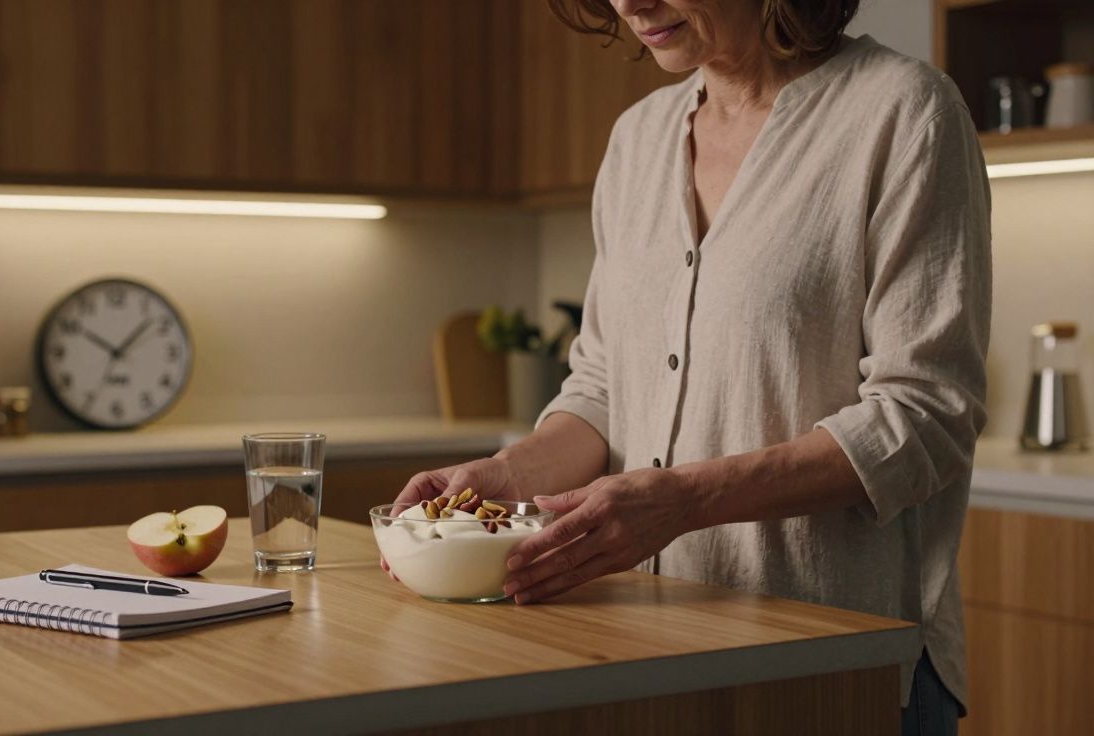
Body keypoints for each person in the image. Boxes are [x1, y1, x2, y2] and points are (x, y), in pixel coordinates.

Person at [388, 1, 990, 734]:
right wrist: (505, 479)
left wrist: (684, 501)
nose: (631, 2)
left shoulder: (902, 113)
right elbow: (606, 387)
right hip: (657, 652)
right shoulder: (637, 140)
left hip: (838, 664)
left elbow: (925, 418)